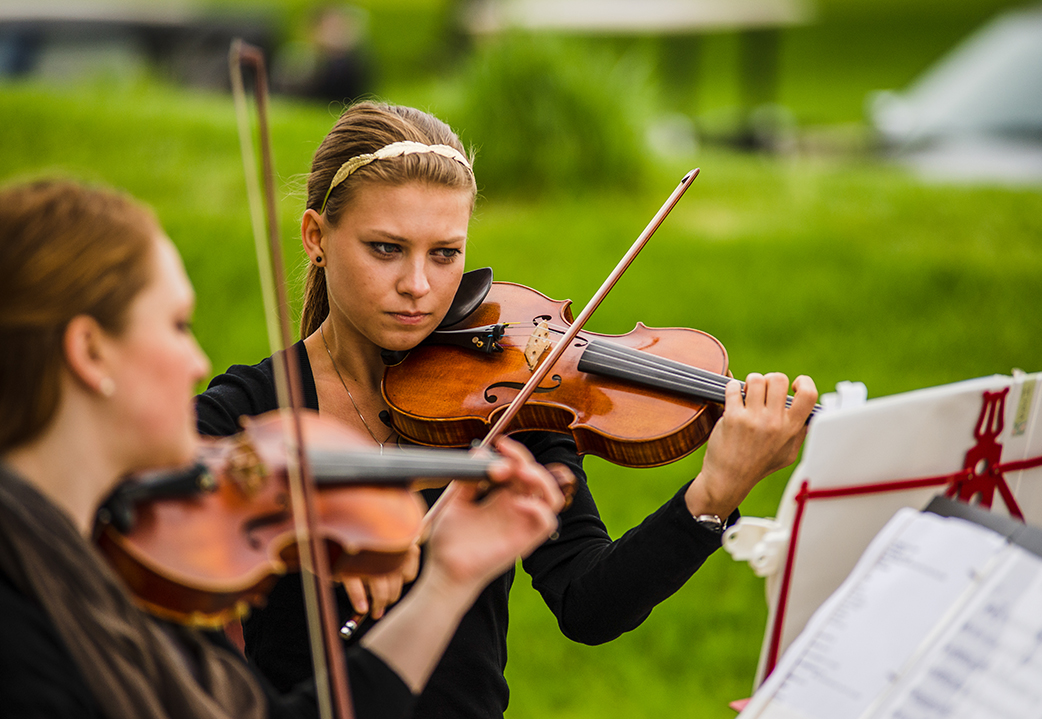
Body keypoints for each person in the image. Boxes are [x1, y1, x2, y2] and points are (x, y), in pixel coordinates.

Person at [196, 101, 818, 719]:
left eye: (445, 253)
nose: (419, 285)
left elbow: (589, 602)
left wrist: (714, 494)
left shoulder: (510, 397)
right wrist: (315, 532)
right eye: (386, 249)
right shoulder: (248, 411)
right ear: (316, 238)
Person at [0, 178, 566, 718]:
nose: (198, 362)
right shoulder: (31, 631)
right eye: (178, 325)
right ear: (90, 352)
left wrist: (448, 581)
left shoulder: (87, 566)